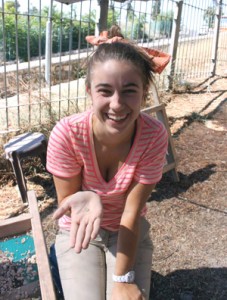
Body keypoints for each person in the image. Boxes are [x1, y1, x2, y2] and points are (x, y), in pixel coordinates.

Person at [46, 26, 169, 300]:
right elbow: (69, 204)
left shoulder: (154, 135)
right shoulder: (67, 133)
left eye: (129, 91)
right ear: (89, 90)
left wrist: (123, 279)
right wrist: (87, 196)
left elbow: (131, 212)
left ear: (145, 91)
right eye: (105, 91)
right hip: (80, 231)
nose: (116, 104)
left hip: (127, 229)